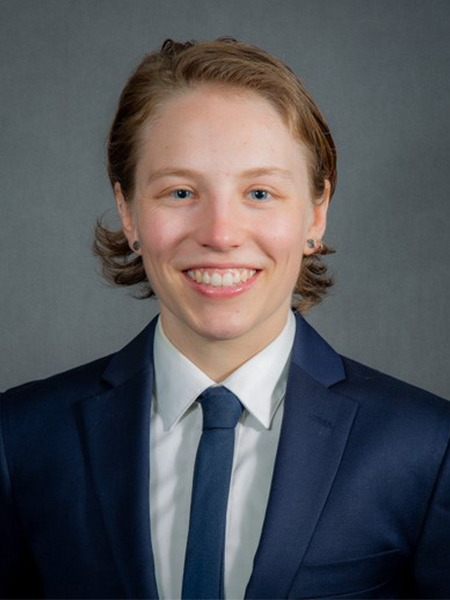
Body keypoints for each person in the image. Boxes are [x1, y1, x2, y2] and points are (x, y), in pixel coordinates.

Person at [1, 37, 449, 600]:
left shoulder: (428, 447)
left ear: (316, 213)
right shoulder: (18, 439)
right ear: (128, 211)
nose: (220, 233)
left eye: (260, 192)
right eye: (181, 191)